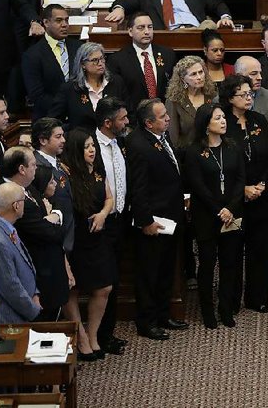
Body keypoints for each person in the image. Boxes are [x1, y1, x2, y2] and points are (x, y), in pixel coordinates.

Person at [127, 99, 187, 340]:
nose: (168, 119)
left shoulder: (161, 137)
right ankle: (147, 321)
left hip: (171, 216)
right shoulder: (139, 145)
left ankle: (163, 315)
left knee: (165, 271)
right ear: (148, 122)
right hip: (153, 221)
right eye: (162, 117)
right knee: (149, 274)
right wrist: (146, 221)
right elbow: (138, 189)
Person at [184, 103, 245, 329]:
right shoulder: (193, 152)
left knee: (230, 264)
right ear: (206, 124)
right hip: (207, 216)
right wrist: (218, 209)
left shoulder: (232, 147)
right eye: (218, 118)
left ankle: (226, 309)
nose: (223, 121)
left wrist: (230, 207)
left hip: (232, 215)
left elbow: (240, 180)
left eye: (223, 117)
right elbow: (198, 186)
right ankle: (207, 311)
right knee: (207, 265)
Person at [221, 76, 268, 314]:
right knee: (233, 250)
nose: (249, 98)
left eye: (250, 94)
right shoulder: (223, 123)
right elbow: (222, 162)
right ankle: (231, 300)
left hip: (262, 196)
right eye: (243, 94)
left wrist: (262, 184)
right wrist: (243, 189)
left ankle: (258, 298)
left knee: (262, 248)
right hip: (235, 198)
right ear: (230, 99)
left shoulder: (259, 120)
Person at [61, 129, 115, 361]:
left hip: (98, 237)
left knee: (104, 287)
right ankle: (81, 337)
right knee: (72, 290)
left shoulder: (98, 172)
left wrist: (103, 213)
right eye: (86, 146)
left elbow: (109, 198)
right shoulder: (67, 177)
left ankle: (93, 335)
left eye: (93, 145)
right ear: (76, 150)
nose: (92, 150)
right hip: (75, 241)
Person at [1, 146, 66, 321]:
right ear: (21, 169)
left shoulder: (28, 189)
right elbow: (50, 233)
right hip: (38, 275)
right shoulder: (13, 197)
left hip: (48, 269)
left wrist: (51, 217)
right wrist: (56, 217)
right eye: (33, 165)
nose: (36, 169)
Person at [93, 97, 130, 355]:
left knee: (115, 280)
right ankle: (100, 336)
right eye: (122, 118)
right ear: (108, 123)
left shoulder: (121, 142)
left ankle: (109, 334)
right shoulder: (90, 146)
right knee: (104, 282)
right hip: (100, 222)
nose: (127, 122)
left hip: (120, 220)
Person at [0, 182, 42, 324]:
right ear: (16, 206)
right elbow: (9, 286)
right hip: (9, 320)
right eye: (24, 200)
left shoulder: (1, 226)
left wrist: (34, 293)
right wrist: (34, 310)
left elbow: (23, 263)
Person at [106, 12, 177, 113]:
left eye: (150, 27)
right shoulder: (117, 60)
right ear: (130, 31)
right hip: (133, 120)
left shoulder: (168, 55)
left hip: (164, 117)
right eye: (141, 28)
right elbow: (117, 96)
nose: (147, 32)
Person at [21, 4, 81, 120]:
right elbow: (36, 95)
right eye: (59, 20)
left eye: (66, 20)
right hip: (49, 119)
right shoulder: (32, 55)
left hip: (78, 117)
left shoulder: (79, 47)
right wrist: (66, 107)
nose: (64, 25)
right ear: (46, 23)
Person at [49, 42, 126, 131]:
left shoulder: (116, 82)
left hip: (113, 140)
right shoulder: (70, 89)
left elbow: (129, 113)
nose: (100, 63)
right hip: (82, 142)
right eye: (94, 60)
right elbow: (54, 120)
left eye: (102, 58)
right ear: (82, 64)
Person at [31, 117, 74, 255]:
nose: (64, 140)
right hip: (54, 241)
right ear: (43, 140)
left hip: (69, 236)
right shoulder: (36, 167)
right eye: (58, 136)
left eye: (63, 136)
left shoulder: (58, 162)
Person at [165, 55, 217, 153]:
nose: (199, 77)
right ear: (183, 79)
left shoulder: (211, 95)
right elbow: (173, 138)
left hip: (212, 151)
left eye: (201, 72)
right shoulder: (174, 101)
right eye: (193, 74)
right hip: (187, 154)